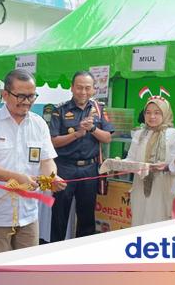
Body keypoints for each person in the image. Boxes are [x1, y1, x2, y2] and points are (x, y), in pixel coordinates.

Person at [0, 69, 65, 255]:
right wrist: (17, 178)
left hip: (28, 213)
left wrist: (51, 178)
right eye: (21, 96)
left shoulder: (39, 124)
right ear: (5, 95)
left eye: (32, 96)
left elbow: (47, 160)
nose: (27, 102)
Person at [49, 71, 114, 242]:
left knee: (87, 216)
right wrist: (77, 134)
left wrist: (92, 129)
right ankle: (53, 252)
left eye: (87, 88)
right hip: (64, 168)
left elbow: (107, 138)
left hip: (89, 169)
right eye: (79, 88)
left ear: (93, 90)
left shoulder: (99, 110)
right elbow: (53, 141)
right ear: (72, 88)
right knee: (59, 215)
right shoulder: (59, 110)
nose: (83, 92)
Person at [126, 96, 175, 226]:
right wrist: (119, 164)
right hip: (140, 185)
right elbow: (131, 158)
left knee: (161, 222)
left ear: (166, 114)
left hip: (163, 186)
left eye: (157, 113)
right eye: (148, 113)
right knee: (139, 219)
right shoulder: (139, 134)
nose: (152, 117)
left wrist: (167, 167)